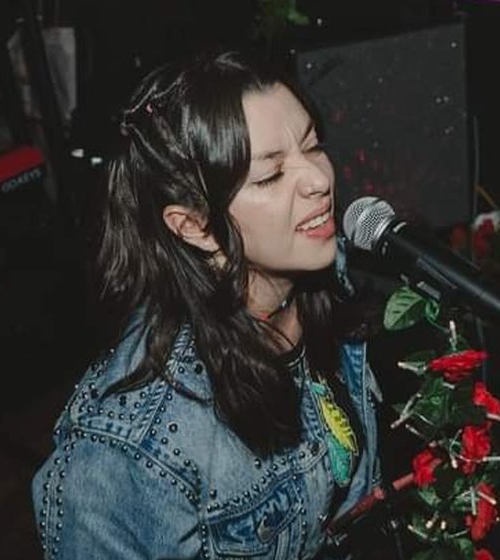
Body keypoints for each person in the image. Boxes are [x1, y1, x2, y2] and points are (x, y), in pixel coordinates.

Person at [31, 48, 384, 559]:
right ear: (194, 226)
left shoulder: (332, 276)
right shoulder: (132, 447)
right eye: (270, 176)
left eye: (312, 146)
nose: (318, 179)